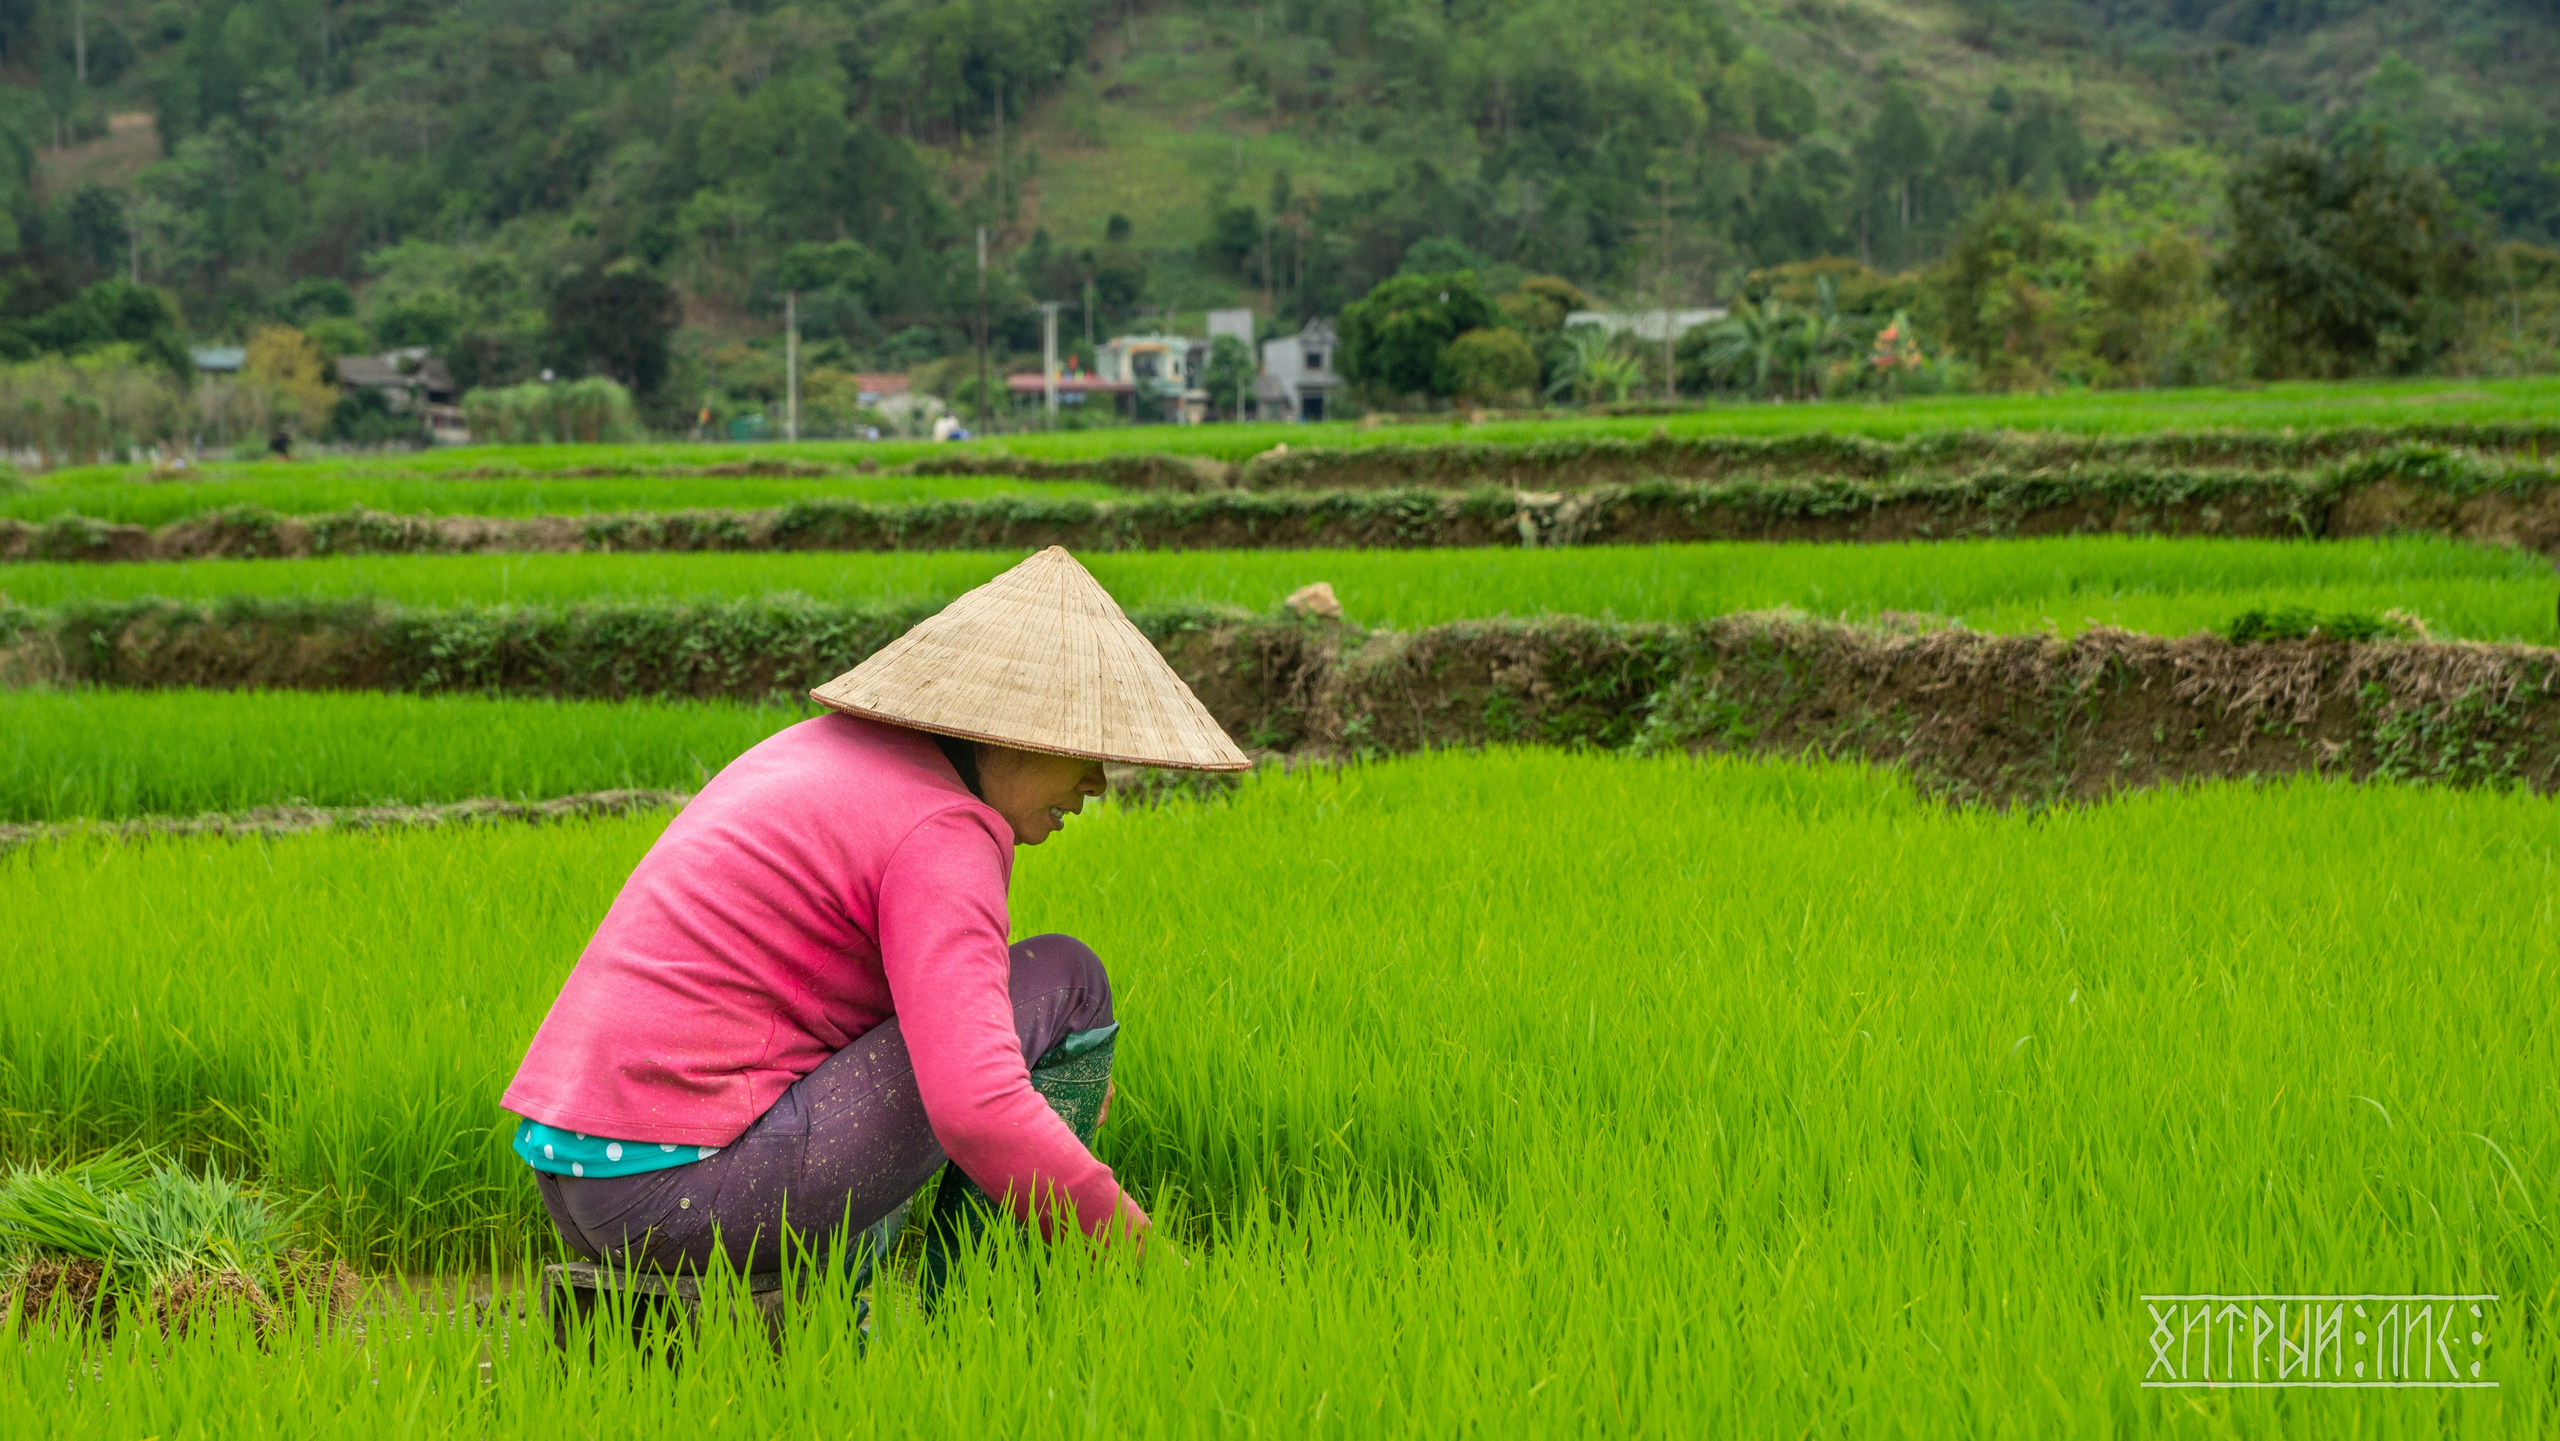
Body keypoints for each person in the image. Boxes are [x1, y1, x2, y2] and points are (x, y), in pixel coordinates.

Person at [501, 547, 1250, 1281]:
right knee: (1068, 980)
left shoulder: (829, 752)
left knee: (973, 1036)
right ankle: (979, 1305)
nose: (1097, 783)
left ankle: (874, 1302)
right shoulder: (942, 832)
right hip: (683, 1189)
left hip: (588, 1181)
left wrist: (1047, 1092)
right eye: (1085, 749)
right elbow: (977, 1109)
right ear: (1010, 733)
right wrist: (1153, 1261)